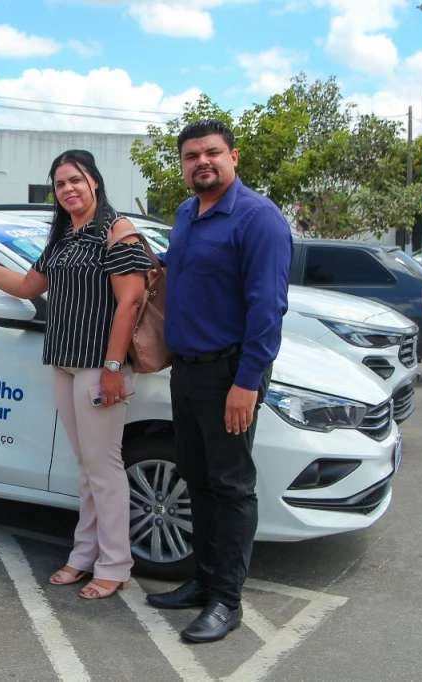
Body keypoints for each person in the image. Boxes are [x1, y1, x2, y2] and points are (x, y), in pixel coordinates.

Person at [0, 150, 150, 600]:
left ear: (95, 182)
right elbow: (27, 287)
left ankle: (116, 563)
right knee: (87, 468)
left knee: (104, 468)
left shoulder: (117, 231)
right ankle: (84, 555)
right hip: (63, 363)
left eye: (76, 180)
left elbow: (131, 302)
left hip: (100, 367)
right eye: (60, 185)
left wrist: (114, 368)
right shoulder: (64, 236)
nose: (68, 190)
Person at [145, 120, 291, 643]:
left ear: (233, 157)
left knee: (230, 486)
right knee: (197, 476)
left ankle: (227, 599)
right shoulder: (187, 213)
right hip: (187, 370)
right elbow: (175, 268)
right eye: (191, 156)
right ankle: (203, 581)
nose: (201, 162)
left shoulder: (258, 220)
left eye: (211, 153)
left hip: (231, 373)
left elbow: (268, 309)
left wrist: (247, 383)